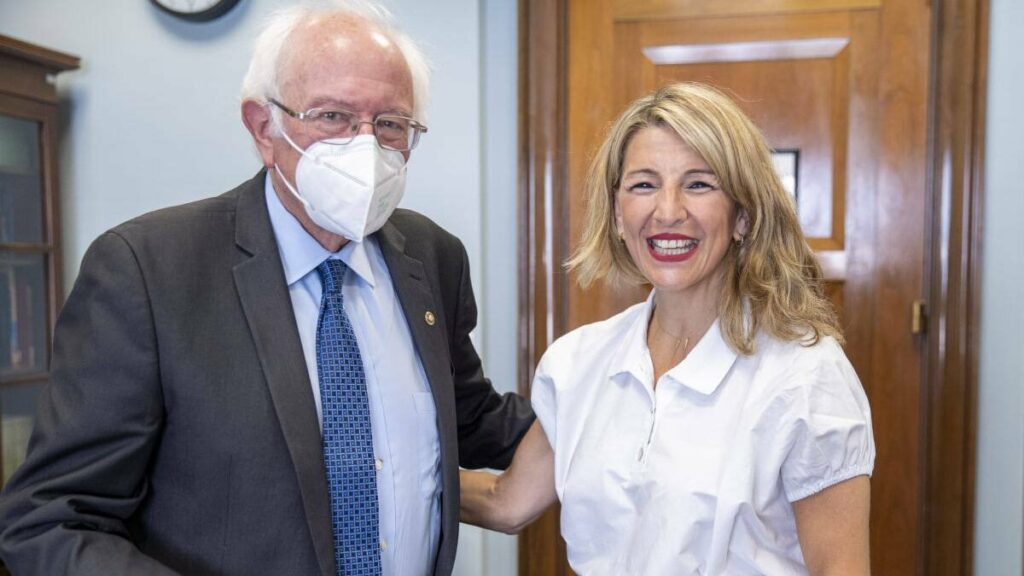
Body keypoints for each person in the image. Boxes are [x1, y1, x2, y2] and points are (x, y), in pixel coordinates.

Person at [0, 2, 533, 575]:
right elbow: (52, 518)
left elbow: (468, 417)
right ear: (263, 126)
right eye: (332, 116)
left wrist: (615, 389)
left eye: (390, 124)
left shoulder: (432, 256)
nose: (365, 145)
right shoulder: (149, 270)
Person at [460, 82, 874, 575]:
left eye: (699, 184)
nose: (668, 211)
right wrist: (370, 470)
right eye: (643, 184)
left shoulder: (806, 375)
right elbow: (508, 501)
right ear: (617, 213)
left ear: (742, 214)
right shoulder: (576, 363)